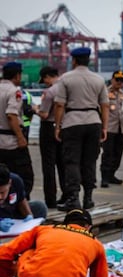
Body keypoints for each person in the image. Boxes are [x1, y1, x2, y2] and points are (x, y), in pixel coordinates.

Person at [0, 208, 109, 277]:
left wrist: (8, 273)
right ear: (88, 227)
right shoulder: (96, 244)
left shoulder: (43, 230)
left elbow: (4, 253)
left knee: (29, 253)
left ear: (64, 223)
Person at [54, 47, 109, 211]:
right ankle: (88, 198)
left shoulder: (66, 78)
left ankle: (73, 198)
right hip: (93, 121)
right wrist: (104, 127)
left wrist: (58, 126)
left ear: (74, 60)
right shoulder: (98, 79)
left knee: (72, 162)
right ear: (89, 60)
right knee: (90, 161)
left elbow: (59, 104)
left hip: (72, 122)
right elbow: (105, 105)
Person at [0, 62, 34, 200]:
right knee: (25, 176)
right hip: (11, 142)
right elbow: (11, 115)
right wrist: (20, 137)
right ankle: (21, 204)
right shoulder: (14, 91)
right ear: (17, 75)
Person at [35, 66, 66, 209]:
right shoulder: (66, 87)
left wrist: (35, 109)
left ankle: (51, 200)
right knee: (63, 164)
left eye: (45, 80)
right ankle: (67, 196)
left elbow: (44, 114)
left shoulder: (49, 92)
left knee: (48, 166)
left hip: (48, 128)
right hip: (63, 127)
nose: (45, 83)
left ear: (48, 76)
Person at [0, 163, 47, 232]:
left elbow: (21, 200)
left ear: (10, 183)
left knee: (39, 207)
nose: (0, 197)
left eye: (2, 192)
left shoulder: (16, 181)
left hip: (11, 214)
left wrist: (29, 216)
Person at [100, 70, 123, 188]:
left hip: (121, 129)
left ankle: (111, 175)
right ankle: (104, 178)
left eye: (122, 80)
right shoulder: (105, 93)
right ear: (112, 80)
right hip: (109, 128)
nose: (120, 82)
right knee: (107, 154)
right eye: (117, 80)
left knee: (118, 154)